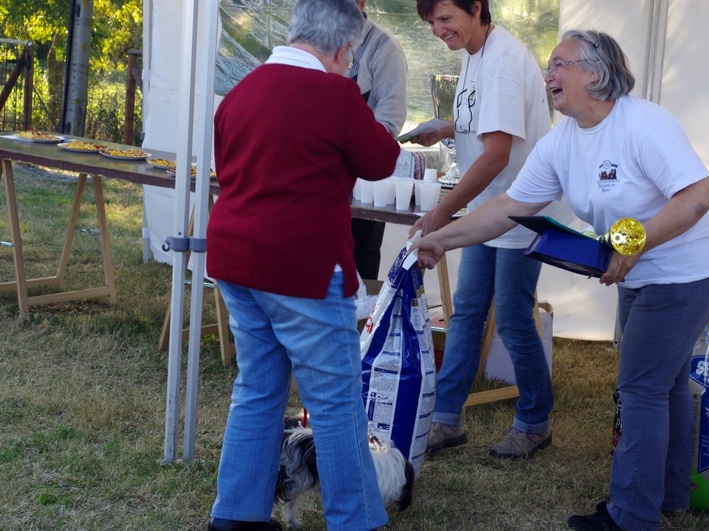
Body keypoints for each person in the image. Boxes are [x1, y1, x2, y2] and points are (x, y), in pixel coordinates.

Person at [410, 29, 709, 531]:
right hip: (640, 269)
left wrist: (629, 245)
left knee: (640, 387)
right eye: (548, 66)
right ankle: (668, 497)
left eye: (559, 65)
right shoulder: (561, 139)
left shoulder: (645, 124)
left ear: (595, 71)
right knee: (663, 384)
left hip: (688, 271)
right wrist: (443, 239)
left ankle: (631, 516)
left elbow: (697, 197)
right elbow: (510, 208)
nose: (547, 76)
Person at [204, 0, 401, 528]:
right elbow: (381, 160)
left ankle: (237, 515)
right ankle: (357, 519)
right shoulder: (335, 93)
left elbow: (233, 168)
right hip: (300, 266)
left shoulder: (242, 91)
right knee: (335, 403)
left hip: (235, 259)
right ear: (344, 48)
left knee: (258, 387)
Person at [408, 0, 553, 460]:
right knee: (467, 312)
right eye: (431, 22)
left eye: (445, 19)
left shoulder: (504, 61)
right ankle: (447, 419)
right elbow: (490, 121)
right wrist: (449, 128)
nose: (437, 30)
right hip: (490, 208)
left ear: (477, 9)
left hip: (519, 209)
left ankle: (534, 421)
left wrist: (440, 214)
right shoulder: (476, 51)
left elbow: (497, 154)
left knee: (511, 317)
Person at [349, 0, 408, 280]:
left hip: (363, 181)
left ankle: (360, 323)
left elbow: (390, 120)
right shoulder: (317, 39)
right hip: (320, 180)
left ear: (360, 3)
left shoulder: (384, 48)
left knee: (359, 259)